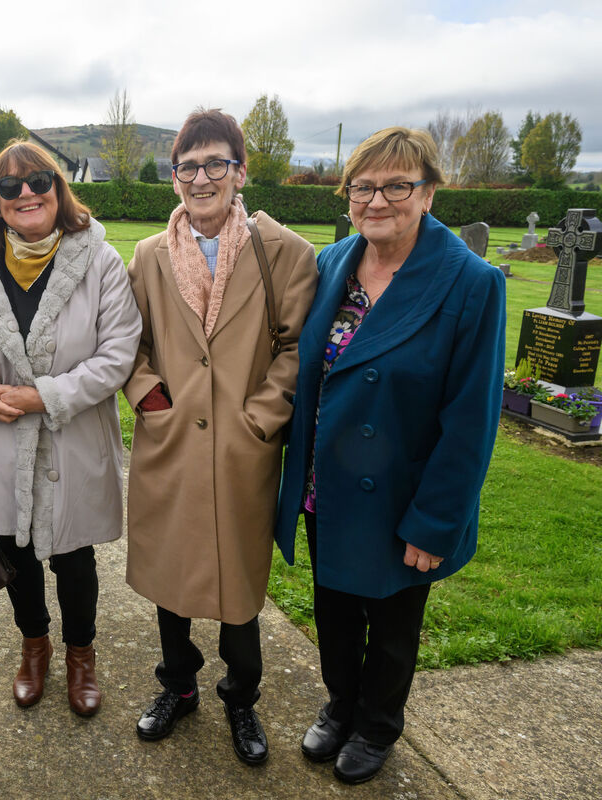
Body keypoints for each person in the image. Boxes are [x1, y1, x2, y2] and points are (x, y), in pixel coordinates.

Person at [274, 126, 505, 784]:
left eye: (397, 186)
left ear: (428, 193)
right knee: (334, 609)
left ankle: (378, 725)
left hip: (403, 491)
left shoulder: (470, 283)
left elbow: (471, 419)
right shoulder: (333, 262)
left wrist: (435, 522)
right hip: (328, 481)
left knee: (394, 620)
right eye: (363, 187)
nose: (377, 200)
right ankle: (342, 703)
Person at [123, 108, 318, 763]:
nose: (200, 178)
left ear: (239, 171)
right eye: (188, 166)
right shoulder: (149, 257)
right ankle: (177, 688)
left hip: (243, 448)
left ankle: (242, 700)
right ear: (174, 177)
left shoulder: (284, 252)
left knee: (238, 589)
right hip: (171, 444)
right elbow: (131, 344)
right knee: (170, 575)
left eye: (214, 164)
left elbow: (295, 348)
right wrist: (152, 404)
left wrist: (262, 420)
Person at [0, 141, 141, 717]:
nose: (26, 193)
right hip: (3, 441)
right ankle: (35, 647)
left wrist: (44, 396)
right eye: (10, 187)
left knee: (75, 559)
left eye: (38, 181)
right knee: (15, 553)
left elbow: (117, 353)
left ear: (58, 189)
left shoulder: (98, 260)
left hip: (72, 438)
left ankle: (82, 656)